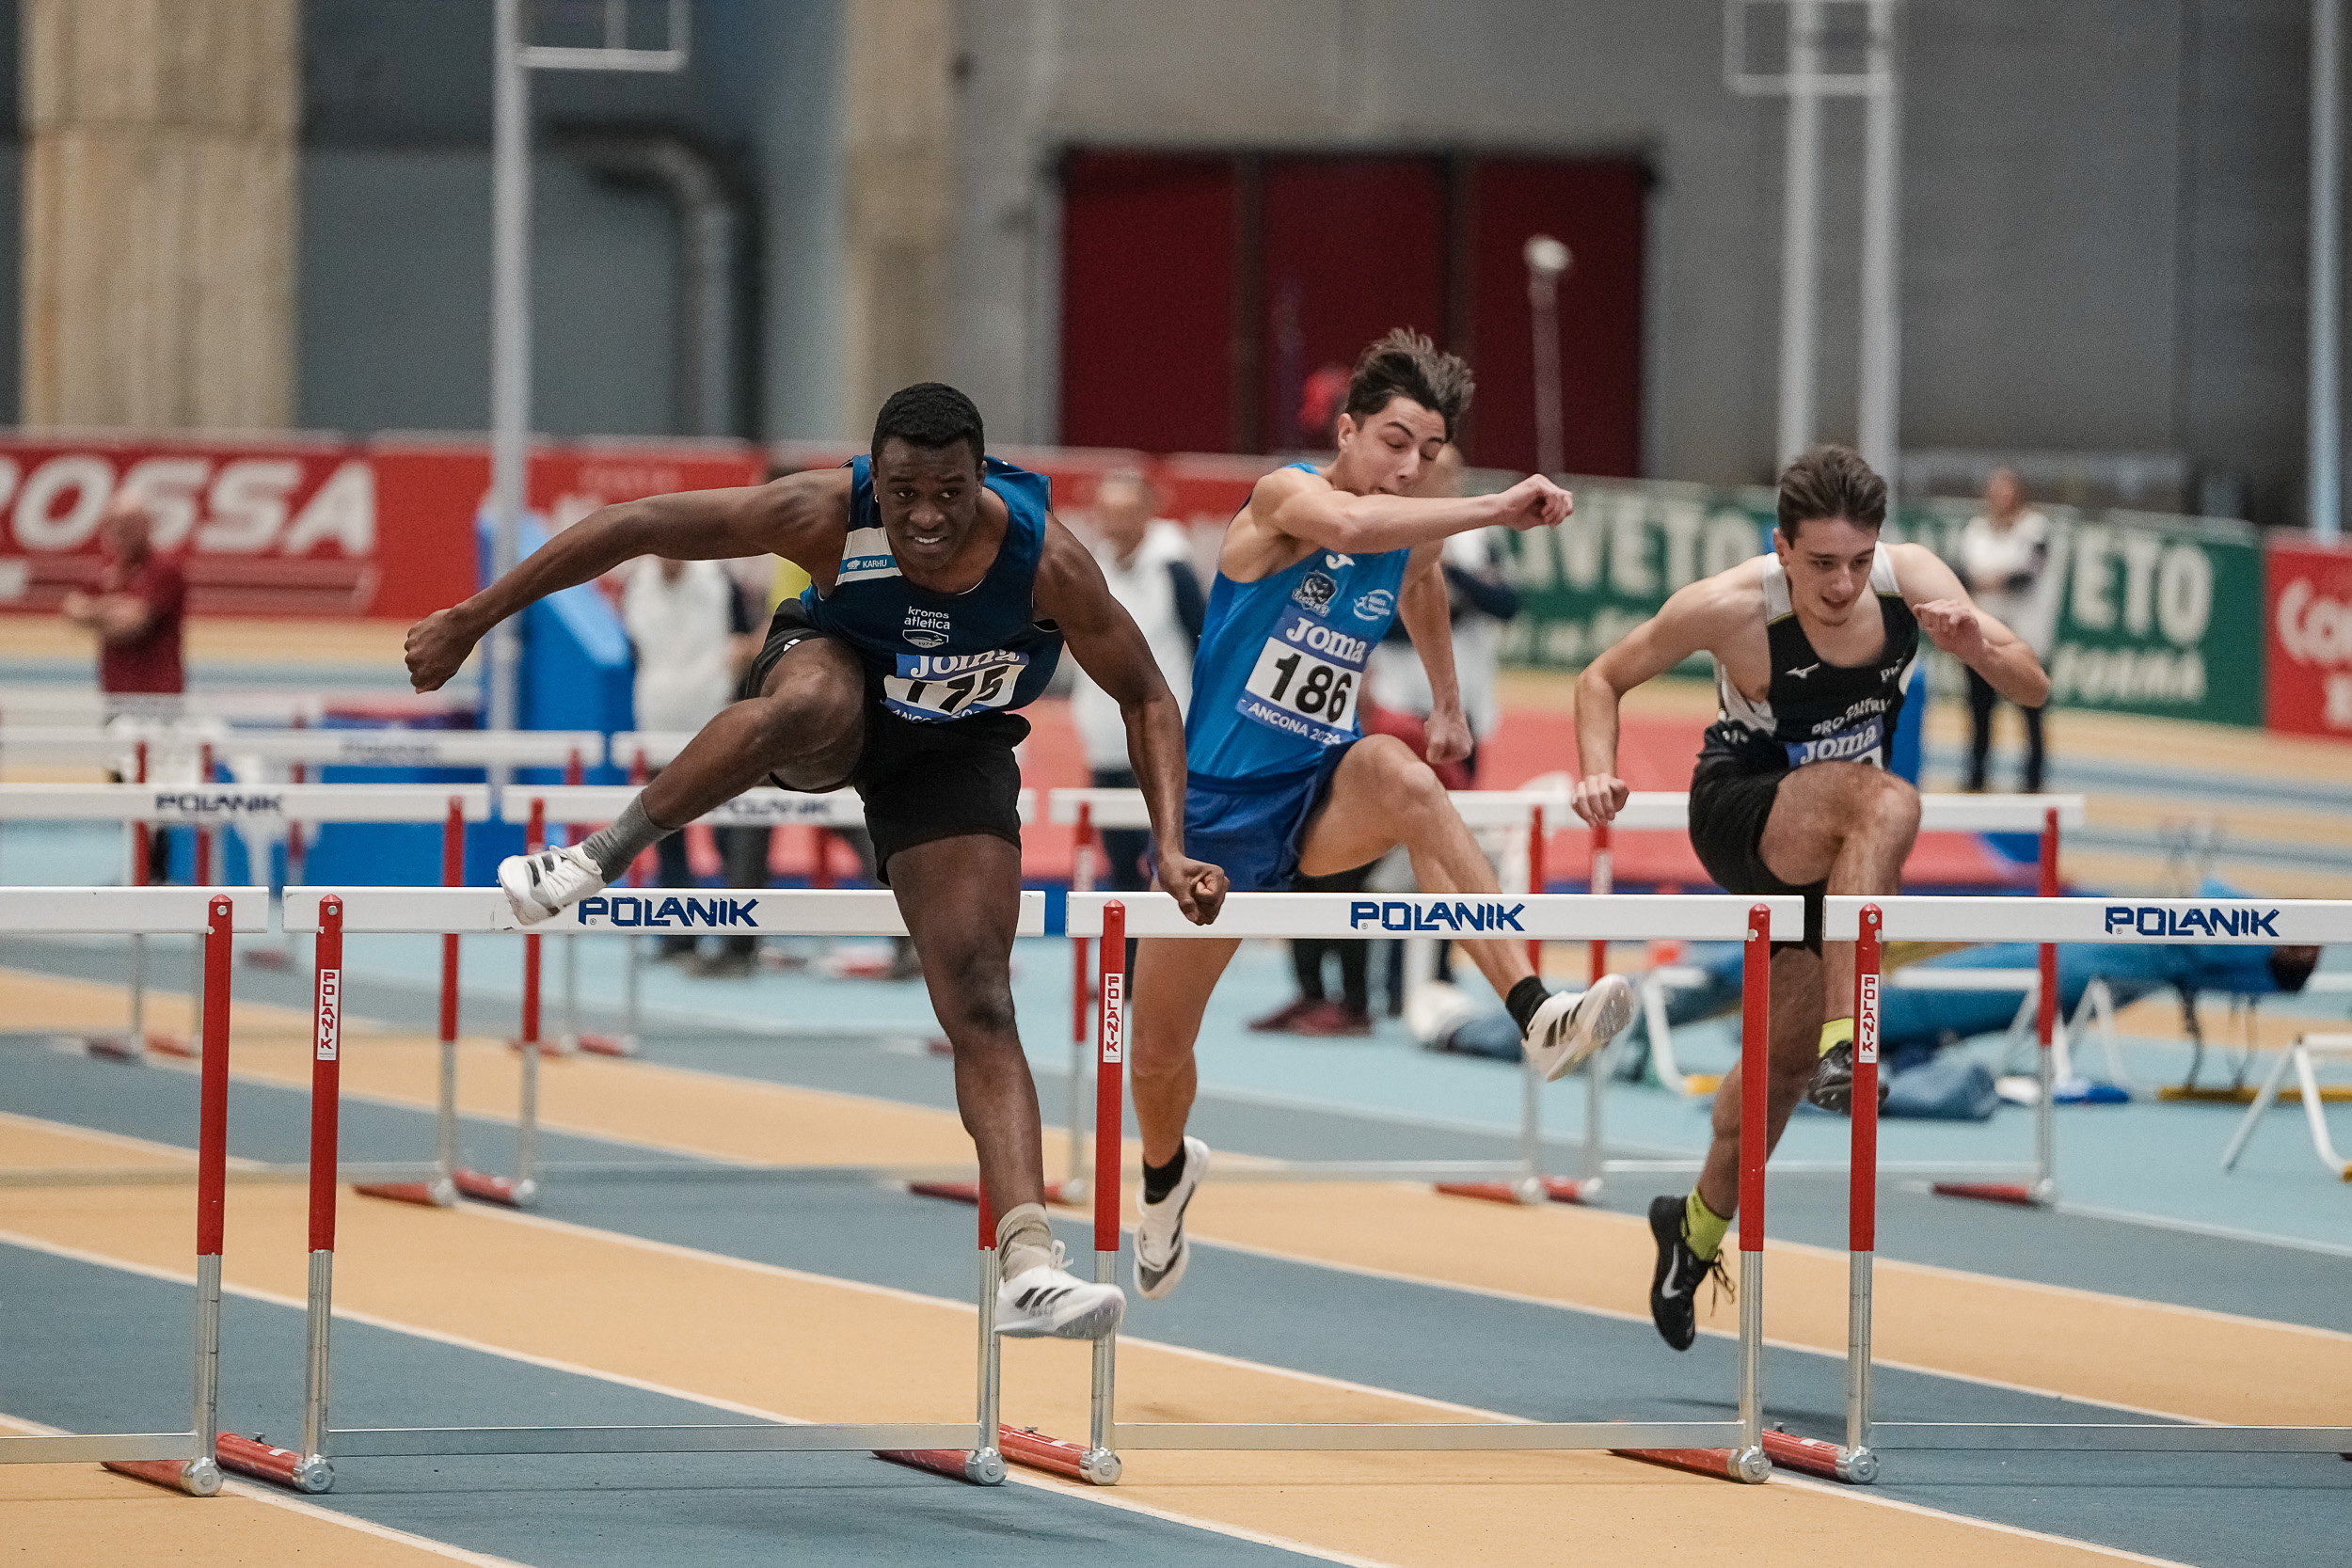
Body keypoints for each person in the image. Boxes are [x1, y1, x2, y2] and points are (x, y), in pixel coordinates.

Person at [405, 383, 1228, 1341]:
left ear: (980, 479)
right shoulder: (824, 513)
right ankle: (595, 856)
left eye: (949, 493)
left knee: (980, 996)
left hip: (951, 748)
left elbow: (1147, 695)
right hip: (832, 685)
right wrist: (472, 617)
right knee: (809, 701)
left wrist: (1171, 845)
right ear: (874, 478)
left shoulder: (1045, 560)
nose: (926, 517)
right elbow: (637, 525)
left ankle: (1028, 1264)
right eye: (904, 492)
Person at [1125, 330, 1636, 1301]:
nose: (1408, 467)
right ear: (1348, 431)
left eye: (1427, 451)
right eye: (1394, 442)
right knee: (1155, 1053)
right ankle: (1163, 1177)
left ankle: (1533, 1010)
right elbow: (1358, 531)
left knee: (1408, 780)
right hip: (1219, 811)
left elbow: (1421, 578)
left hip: (1320, 784)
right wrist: (1496, 503)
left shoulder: (1413, 523)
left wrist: (1447, 702)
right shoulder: (1284, 498)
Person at [1569, 446, 2051, 1352]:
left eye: (1859, 562)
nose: (1842, 584)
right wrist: (1597, 769)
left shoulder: (1914, 581)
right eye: (1821, 563)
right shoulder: (1731, 606)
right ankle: (1850, 1041)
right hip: (1745, 811)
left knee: (1778, 1072)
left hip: (1842, 852)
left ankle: (1691, 1230)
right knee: (1892, 802)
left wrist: (1976, 644)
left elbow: (2034, 683)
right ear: (1781, 547)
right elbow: (1603, 677)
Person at [1068, 467, 1204, 895]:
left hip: (1160, 741)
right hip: (1106, 743)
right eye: (1107, 511)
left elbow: (1202, 643)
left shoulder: (1174, 571)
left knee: (1166, 861)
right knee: (1121, 866)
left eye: (1125, 511)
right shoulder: (1090, 566)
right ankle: (1123, 944)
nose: (1115, 522)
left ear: (1148, 511)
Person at [621, 555, 754, 964]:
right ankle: (679, 937)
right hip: (658, 722)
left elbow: (744, 640)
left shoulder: (720, 581)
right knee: (664, 832)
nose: (669, 559)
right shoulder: (636, 584)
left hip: (715, 722)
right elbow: (634, 653)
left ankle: (738, 938)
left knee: (728, 833)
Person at [1956, 467, 2058, 793]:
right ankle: (1976, 776)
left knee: (2031, 709)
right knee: (1979, 709)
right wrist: (1994, 579)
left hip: (2026, 636)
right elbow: (1961, 573)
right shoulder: (1976, 531)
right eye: (1995, 491)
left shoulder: (2035, 530)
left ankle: (2033, 780)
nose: (1999, 497)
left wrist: (1988, 580)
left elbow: (2025, 576)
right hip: (1982, 634)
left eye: (2006, 491)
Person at [63, 494, 186, 722]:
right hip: (115, 698)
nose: (120, 532)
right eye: (113, 524)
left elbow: (132, 624)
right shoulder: (107, 569)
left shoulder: (163, 568)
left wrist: (96, 613)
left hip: (159, 699)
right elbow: (72, 611)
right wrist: (115, 608)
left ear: (146, 524)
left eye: (129, 524)